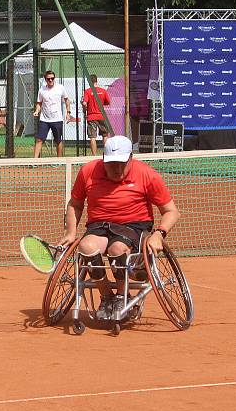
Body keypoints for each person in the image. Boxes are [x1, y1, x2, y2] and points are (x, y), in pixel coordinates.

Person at [59, 135, 180, 320]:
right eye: (111, 163)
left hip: (133, 226)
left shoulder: (147, 174)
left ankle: (122, 297)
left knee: (117, 249)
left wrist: (159, 234)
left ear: (131, 158)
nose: (116, 169)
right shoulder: (88, 172)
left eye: (121, 163)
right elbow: (75, 203)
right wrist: (70, 232)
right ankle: (107, 297)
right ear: (103, 159)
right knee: (86, 247)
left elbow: (171, 211)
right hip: (99, 226)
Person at [33, 70, 72, 158]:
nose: (50, 80)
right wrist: (37, 111)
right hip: (44, 120)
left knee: (58, 140)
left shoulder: (60, 88)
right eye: (48, 79)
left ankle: (59, 160)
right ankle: (34, 161)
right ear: (45, 79)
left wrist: (68, 113)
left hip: (57, 119)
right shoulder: (41, 90)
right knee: (39, 139)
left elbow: (67, 100)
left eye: (52, 78)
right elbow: (39, 103)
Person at [81, 74, 112, 156]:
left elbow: (84, 103)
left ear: (89, 81)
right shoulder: (103, 91)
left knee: (92, 137)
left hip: (91, 117)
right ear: (96, 81)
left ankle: (94, 156)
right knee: (105, 135)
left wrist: (85, 111)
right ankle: (106, 155)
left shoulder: (87, 91)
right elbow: (108, 102)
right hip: (102, 116)